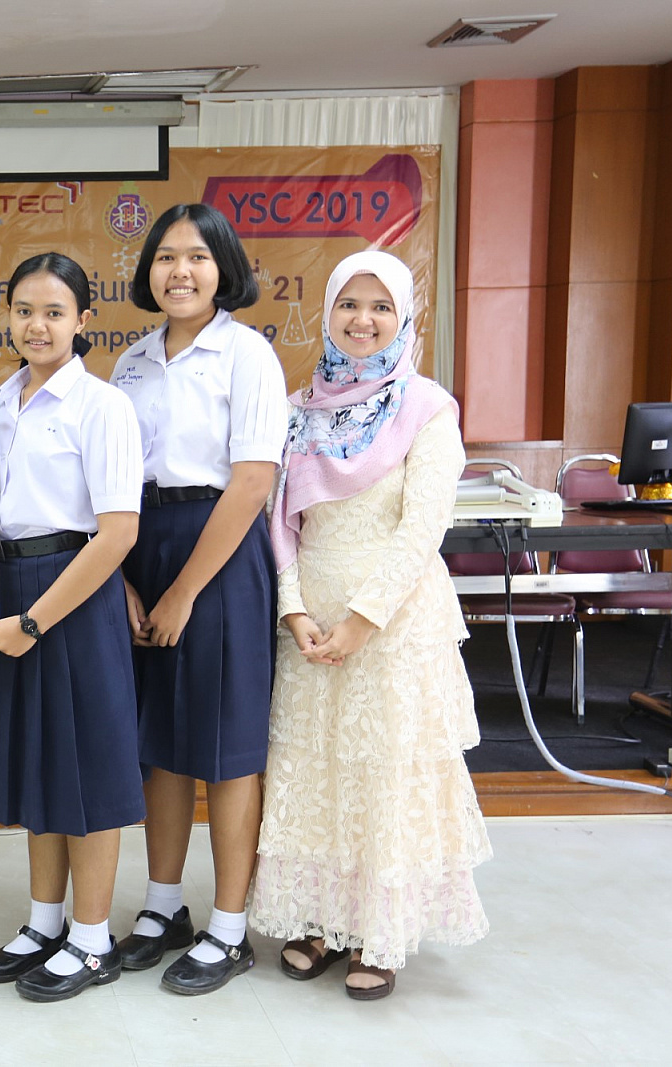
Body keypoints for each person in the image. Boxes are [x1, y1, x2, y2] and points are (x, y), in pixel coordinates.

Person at [250, 249, 489, 1000]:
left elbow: (423, 528)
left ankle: (377, 934)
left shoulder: (428, 407)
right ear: (326, 314)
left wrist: (363, 620)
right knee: (317, 770)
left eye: (380, 306)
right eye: (348, 304)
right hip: (310, 619)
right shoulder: (298, 408)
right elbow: (280, 521)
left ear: (403, 317)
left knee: (381, 773)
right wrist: (293, 608)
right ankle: (321, 919)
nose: (363, 319)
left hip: (394, 624)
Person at [0, 252, 144, 1003]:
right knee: (40, 761)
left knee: (86, 766)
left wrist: (34, 621)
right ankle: (45, 923)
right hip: (7, 584)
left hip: (70, 594)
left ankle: (92, 941)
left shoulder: (102, 406)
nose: (38, 325)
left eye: (55, 312)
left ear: (83, 320)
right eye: (24, 310)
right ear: (8, 316)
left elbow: (117, 534)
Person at [109, 203, 288, 996]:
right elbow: (108, 479)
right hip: (139, 543)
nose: (179, 271)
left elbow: (252, 482)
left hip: (218, 547)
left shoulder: (247, 356)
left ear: (224, 268)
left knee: (226, 744)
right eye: (165, 256)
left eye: (196, 256)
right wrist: (123, 579)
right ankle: (163, 906)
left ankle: (229, 926)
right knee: (160, 741)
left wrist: (184, 590)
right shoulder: (130, 363)